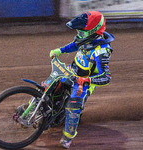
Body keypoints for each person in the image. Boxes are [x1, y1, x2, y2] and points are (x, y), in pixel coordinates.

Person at [49, 11, 114, 149]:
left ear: (94, 32)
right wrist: (59, 51)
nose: (79, 34)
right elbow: (74, 45)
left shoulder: (102, 51)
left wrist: (87, 81)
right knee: (50, 85)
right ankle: (41, 109)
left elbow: (106, 77)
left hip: (84, 83)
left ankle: (67, 137)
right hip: (71, 71)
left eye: (82, 32)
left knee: (74, 105)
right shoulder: (85, 39)